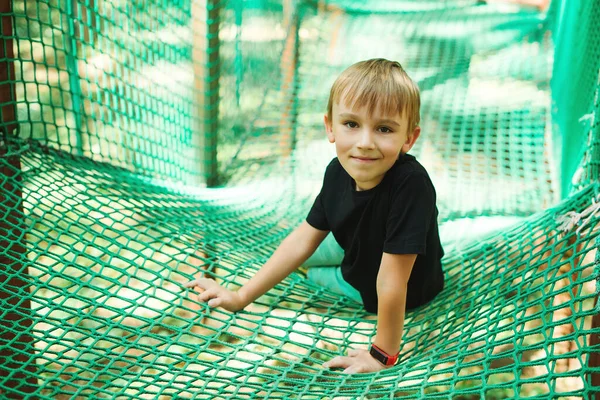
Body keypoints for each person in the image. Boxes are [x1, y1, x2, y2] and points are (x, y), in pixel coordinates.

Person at [184, 58, 444, 374]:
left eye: (384, 129)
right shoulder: (337, 172)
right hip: (358, 245)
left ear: (408, 139)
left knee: (313, 273)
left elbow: (391, 280)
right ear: (330, 127)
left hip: (394, 286)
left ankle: (324, 272)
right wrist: (240, 296)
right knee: (298, 253)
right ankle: (328, 261)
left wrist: (382, 355)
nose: (365, 142)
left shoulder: (411, 185)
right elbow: (303, 240)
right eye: (351, 124)